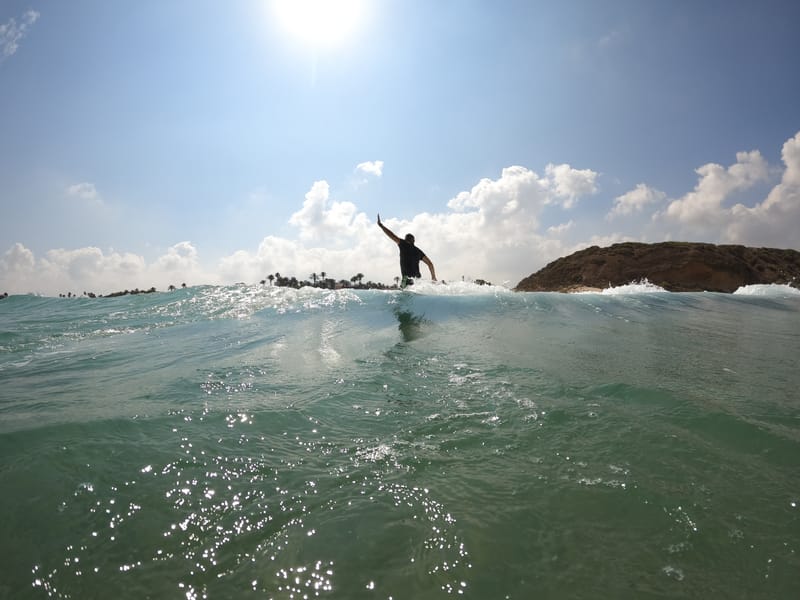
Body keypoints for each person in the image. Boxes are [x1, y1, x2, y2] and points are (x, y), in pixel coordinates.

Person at [377, 214, 436, 287]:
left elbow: (392, 235)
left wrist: (381, 226)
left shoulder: (403, 245)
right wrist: (433, 277)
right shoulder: (418, 251)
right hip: (417, 280)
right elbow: (430, 264)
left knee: (404, 296)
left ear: (405, 240)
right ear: (414, 241)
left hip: (406, 279)